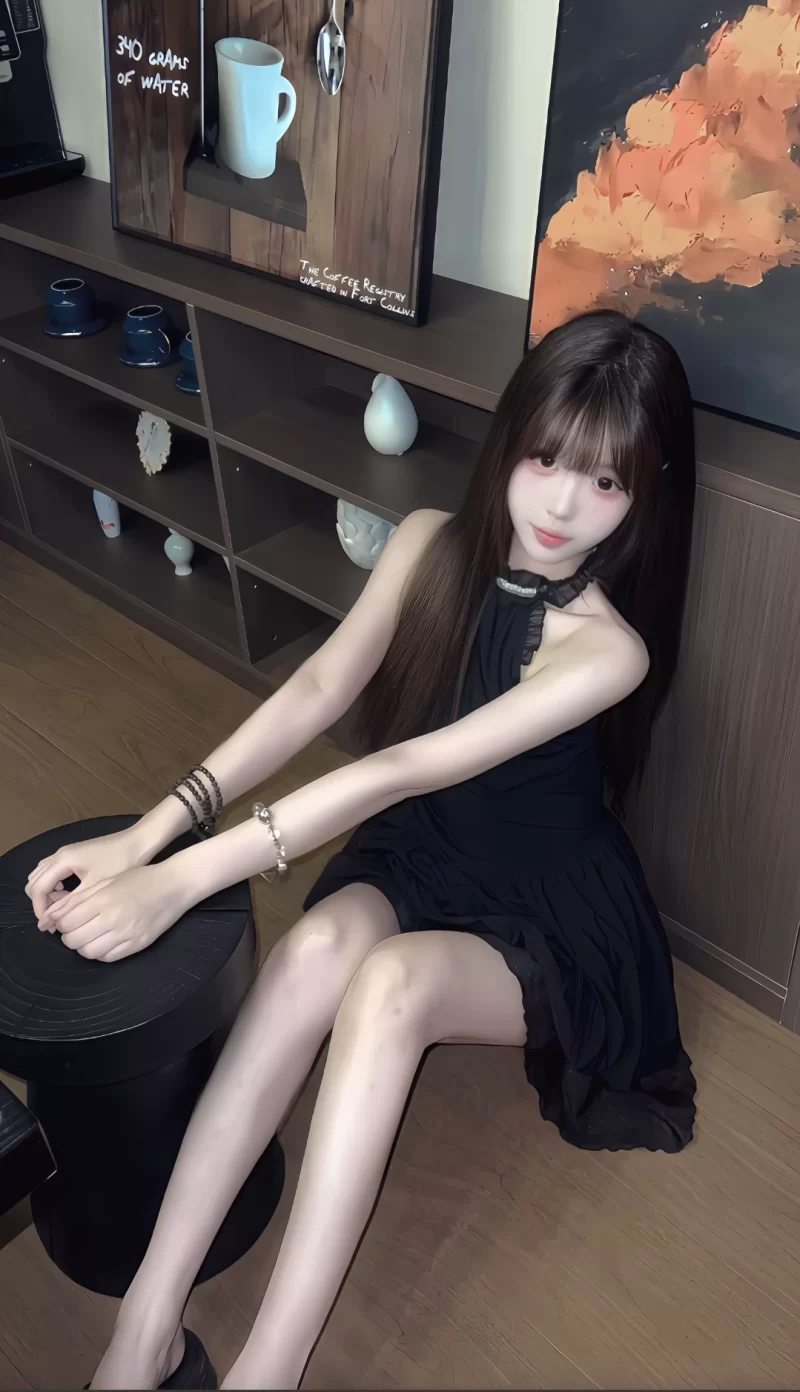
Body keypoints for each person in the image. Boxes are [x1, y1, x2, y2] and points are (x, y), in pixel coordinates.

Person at [25, 309, 698, 1391]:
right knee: (307, 959)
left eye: (605, 481)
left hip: (550, 914)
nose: (561, 506)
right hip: (427, 850)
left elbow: (399, 768)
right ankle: (145, 1325)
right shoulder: (432, 541)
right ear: (510, 437)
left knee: (386, 990)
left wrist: (181, 879)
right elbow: (317, 687)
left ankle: (268, 1375)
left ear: (644, 492)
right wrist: (148, 834)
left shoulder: (608, 653)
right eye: (543, 459)